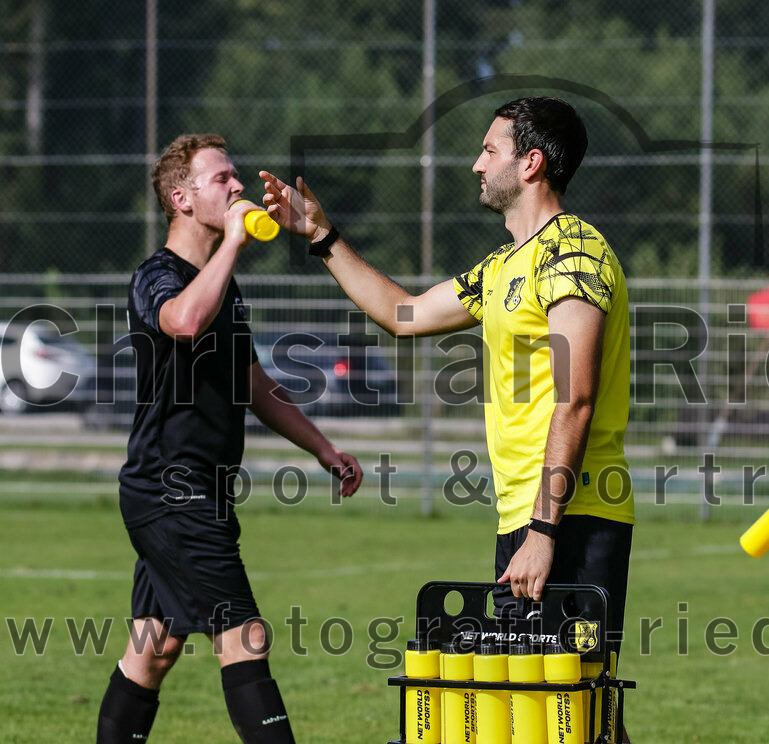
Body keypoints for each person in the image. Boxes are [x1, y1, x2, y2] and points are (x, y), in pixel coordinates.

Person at [260, 95, 634, 647]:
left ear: (531, 163)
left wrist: (544, 530)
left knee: (570, 695)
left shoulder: (573, 252)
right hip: (525, 518)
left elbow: (574, 399)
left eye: (490, 151)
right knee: (533, 695)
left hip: (572, 517)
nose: (477, 165)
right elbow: (402, 314)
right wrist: (321, 235)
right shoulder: (503, 266)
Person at [96, 133, 363, 744]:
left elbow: (253, 383)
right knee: (245, 637)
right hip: (171, 491)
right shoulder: (156, 276)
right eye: (223, 179)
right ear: (182, 198)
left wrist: (322, 449)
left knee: (153, 649)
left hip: (201, 491)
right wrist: (236, 241)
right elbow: (184, 321)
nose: (239, 186)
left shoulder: (223, 285)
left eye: (235, 176)